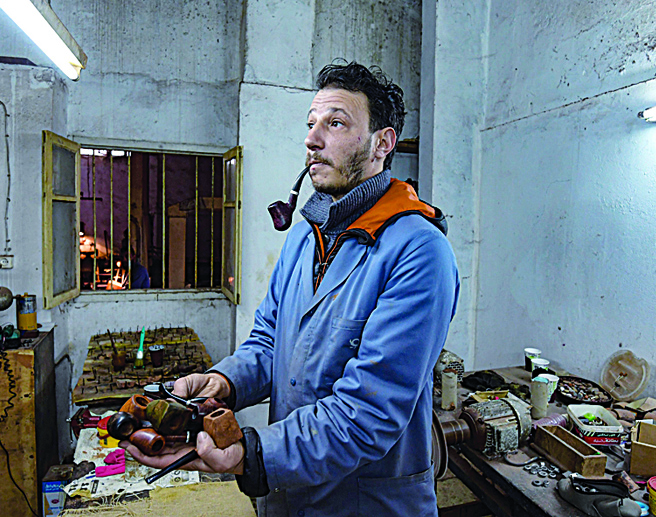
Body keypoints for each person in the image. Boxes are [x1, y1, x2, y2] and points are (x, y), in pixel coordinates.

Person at [121, 61, 460, 516]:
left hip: (365, 503)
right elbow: (268, 342)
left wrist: (251, 453)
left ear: (383, 143)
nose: (312, 139)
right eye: (311, 124)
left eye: (335, 123)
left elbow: (370, 411)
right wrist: (223, 382)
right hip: (286, 497)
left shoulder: (419, 251)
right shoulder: (307, 234)